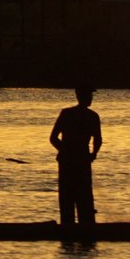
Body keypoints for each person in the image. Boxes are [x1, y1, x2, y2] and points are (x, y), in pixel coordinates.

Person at [49, 85, 102, 226]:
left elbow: (53, 138)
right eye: (88, 96)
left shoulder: (67, 114)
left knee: (68, 197)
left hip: (69, 161)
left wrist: (65, 151)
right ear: (81, 97)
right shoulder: (92, 116)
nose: (90, 99)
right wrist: (92, 154)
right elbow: (98, 140)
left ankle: (69, 230)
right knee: (83, 197)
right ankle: (84, 230)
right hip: (81, 161)